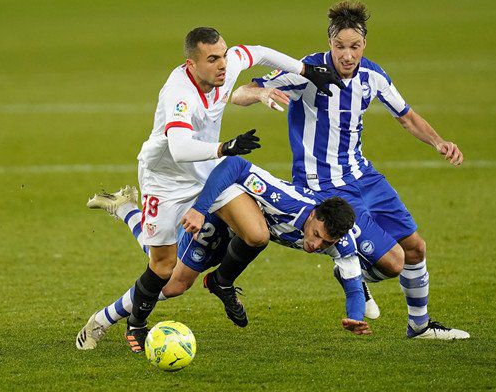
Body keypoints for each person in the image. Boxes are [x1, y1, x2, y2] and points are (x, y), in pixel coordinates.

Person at [81, 26, 345, 352]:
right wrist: (224, 147)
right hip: (165, 179)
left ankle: (221, 282)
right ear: (192, 65)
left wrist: (307, 71)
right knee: (163, 265)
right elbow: (178, 148)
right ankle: (119, 316)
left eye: (223, 54)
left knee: (255, 234)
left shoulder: (227, 65)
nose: (223, 64)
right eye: (213, 59)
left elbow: (259, 52)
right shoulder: (179, 93)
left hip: (207, 170)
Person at [230, 0, 469, 340]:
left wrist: (439, 142)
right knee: (394, 262)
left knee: (416, 247)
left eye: (354, 47)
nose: (347, 55)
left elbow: (407, 117)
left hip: (364, 176)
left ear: (364, 45)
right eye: (340, 46)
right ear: (330, 43)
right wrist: (262, 94)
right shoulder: (307, 72)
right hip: (326, 186)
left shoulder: (373, 76)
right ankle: (349, 273)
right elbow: (240, 93)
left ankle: (419, 327)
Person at [76, 156, 376, 352]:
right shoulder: (285, 201)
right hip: (219, 213)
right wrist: (201, 207)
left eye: (325, 244)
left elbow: (352, 287)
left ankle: (126, 208)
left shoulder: (340, 241)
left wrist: (352, 318)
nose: (316, 246)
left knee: (165, 261)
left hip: (239, 236)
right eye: (316, 236)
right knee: (171, 279)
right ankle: (99, 322)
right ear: (314, 215)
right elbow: (234, 165)